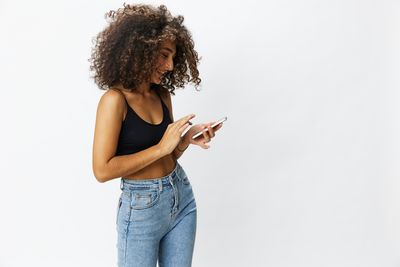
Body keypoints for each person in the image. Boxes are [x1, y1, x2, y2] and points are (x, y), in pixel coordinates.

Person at [90, 3, 223, 267]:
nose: (170, 65)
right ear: (141, 50)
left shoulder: (161, 94)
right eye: (164, 55)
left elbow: (168, 153)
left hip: (181, 197)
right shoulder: (114, 100)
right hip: (141, 208)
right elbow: (102, 170)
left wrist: (184, 141)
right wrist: (162, 148)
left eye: (173, 57)